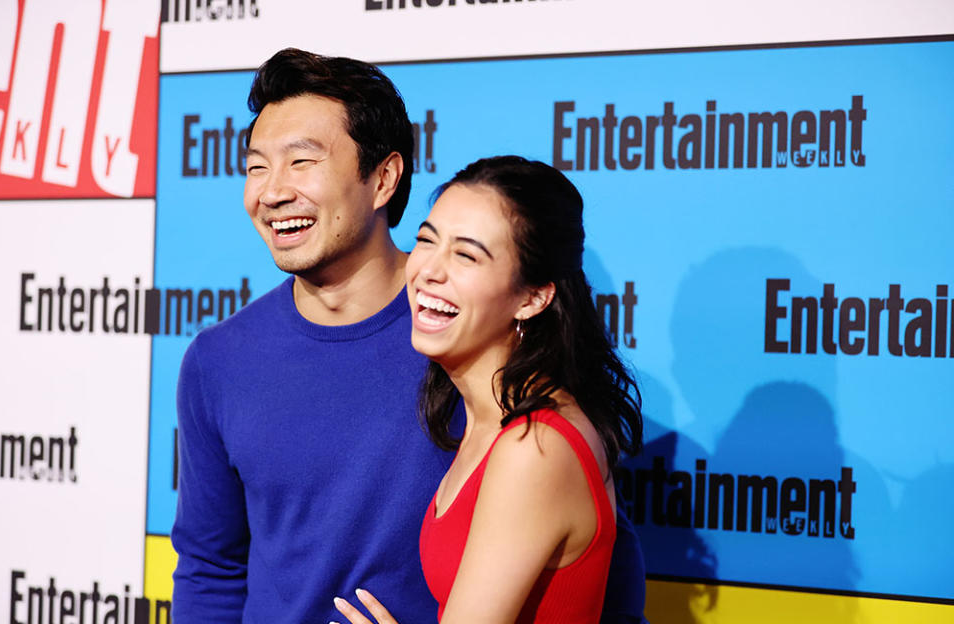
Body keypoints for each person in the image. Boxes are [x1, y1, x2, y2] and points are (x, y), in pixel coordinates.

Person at [171, 48, 646, 624]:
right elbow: (211, 569)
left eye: (301, 162)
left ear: (384, 178)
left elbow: (598, 566)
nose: (272, 192)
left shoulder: (475, 337)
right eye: (255, 167)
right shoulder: (217, 362)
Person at [331, 156, 643, 624]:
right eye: (426, 241)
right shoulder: (489, 415)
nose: (429, 271)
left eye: (467, 255)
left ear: (533, 297)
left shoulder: (534, 448)